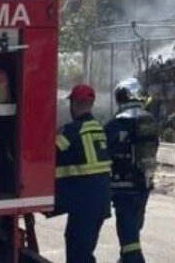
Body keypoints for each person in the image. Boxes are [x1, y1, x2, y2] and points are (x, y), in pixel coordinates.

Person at [55, 84, 112, 263]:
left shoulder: (71, 131)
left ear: (75, 104)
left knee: (79, 254)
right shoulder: (99, 129)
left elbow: (47, 155)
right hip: (99, 203)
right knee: (81, 250)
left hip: (84, 204)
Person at [105, 78, 160, 263]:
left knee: (128, 238)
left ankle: (133, 260)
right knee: (134, 228)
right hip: (143, 183)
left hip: (123, 186)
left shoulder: (117, 123)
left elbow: (104, 150)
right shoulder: (149, 120)